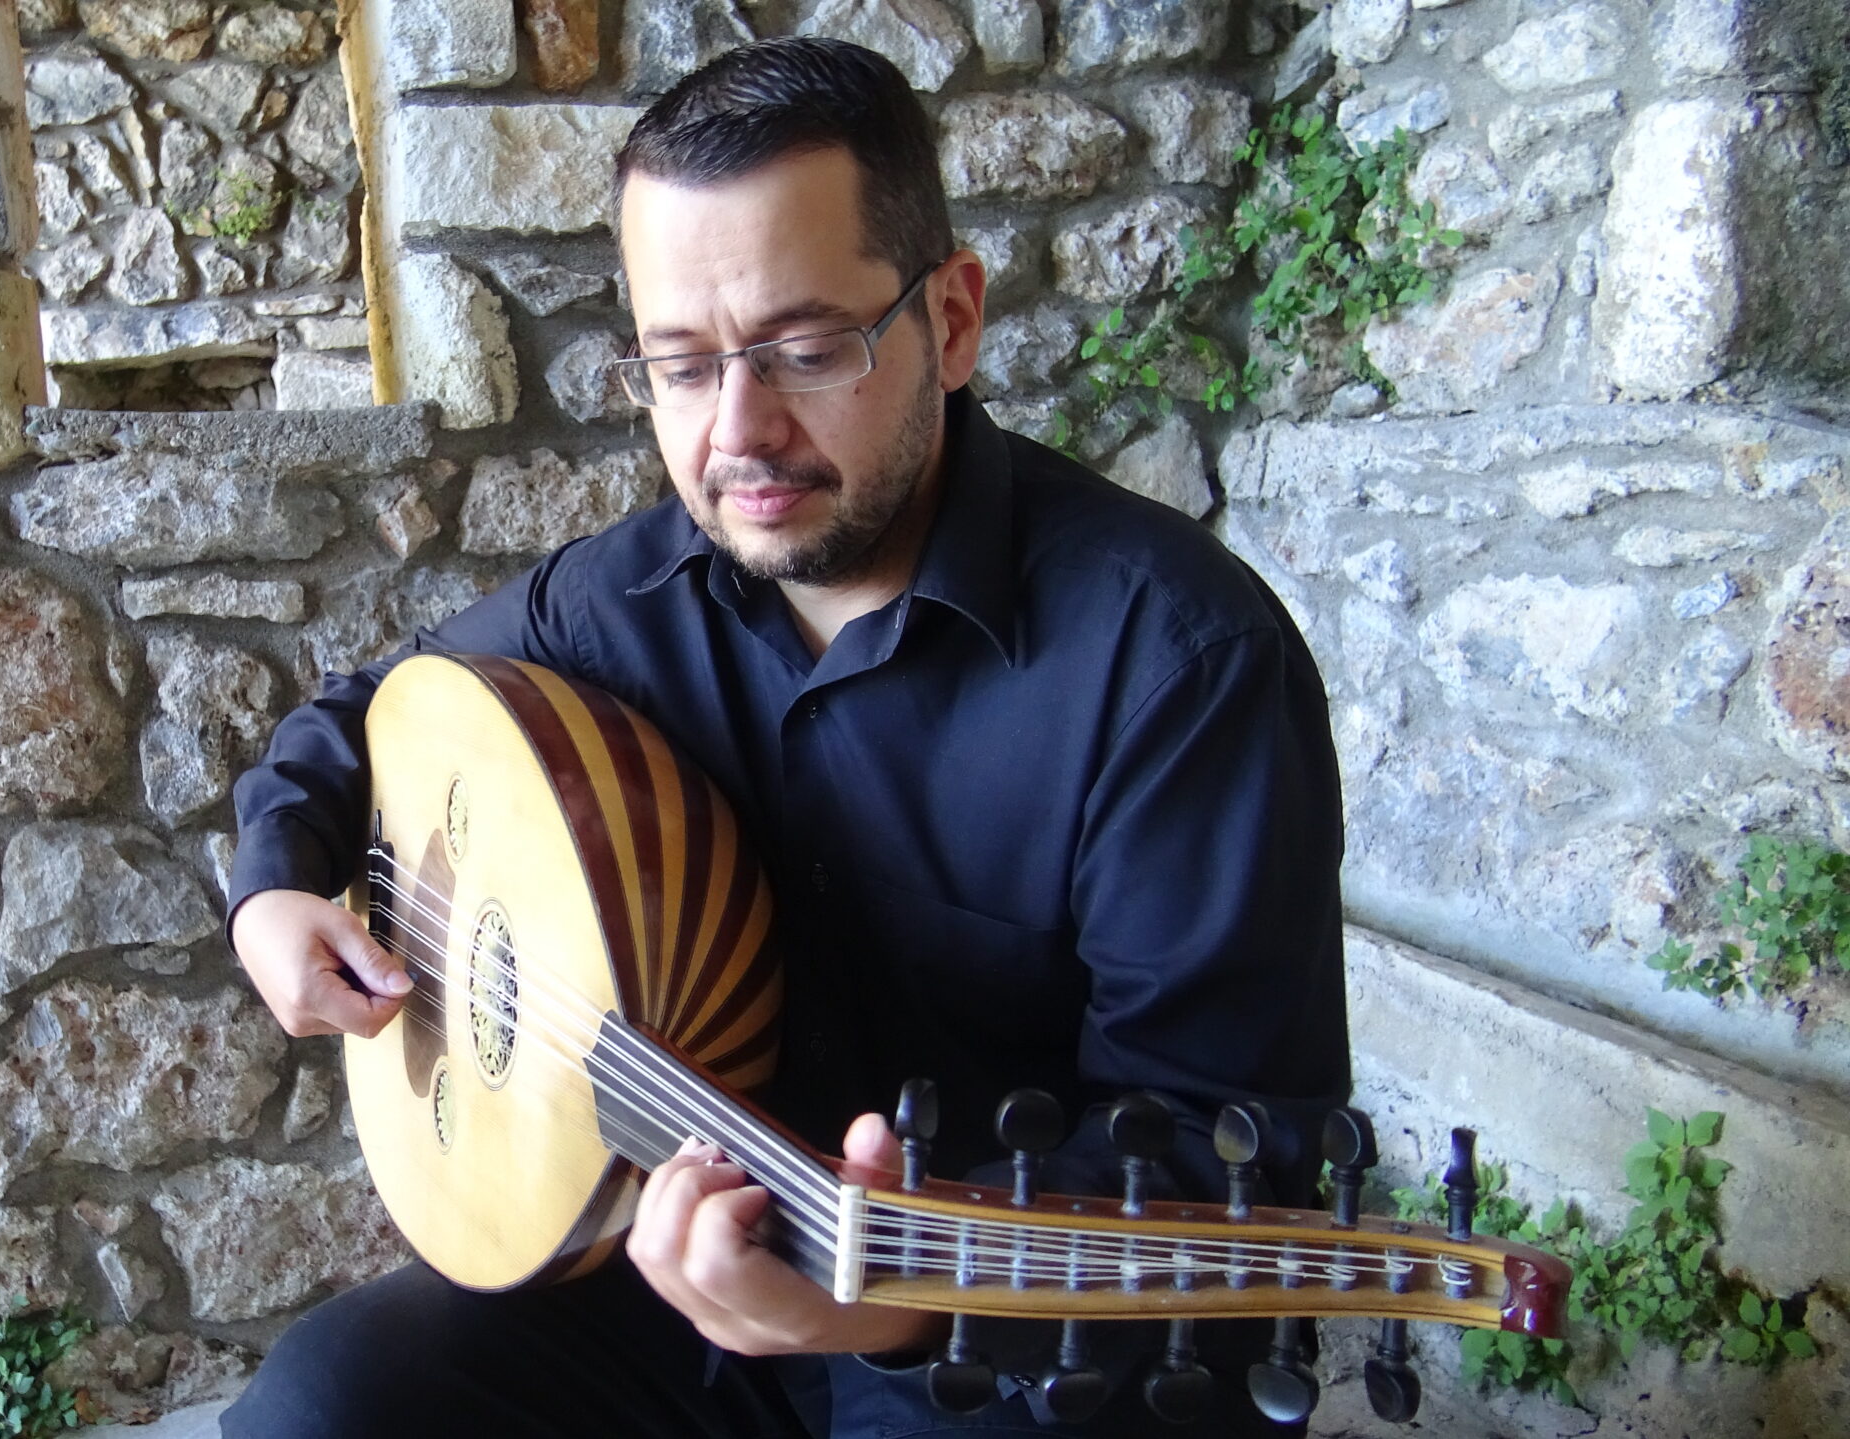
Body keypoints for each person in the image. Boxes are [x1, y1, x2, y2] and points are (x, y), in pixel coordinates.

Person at [219, 36, 1350, 1438]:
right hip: (673, 1271)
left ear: (953, 320)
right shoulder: (615, 606)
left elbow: (1224, 1162)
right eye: (681, 367)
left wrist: (885, 1307)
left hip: (1001, 1344)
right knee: (324, 1407)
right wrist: (276, 880)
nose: (738, 433)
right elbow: (375, 713)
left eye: (806, 352)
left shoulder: (1175, 665)